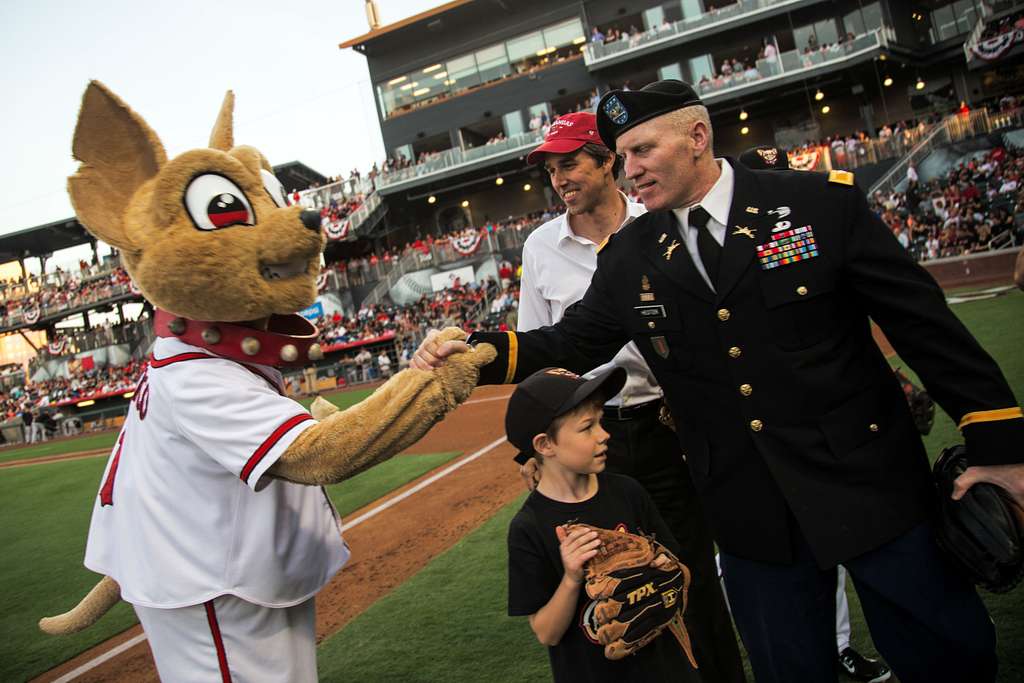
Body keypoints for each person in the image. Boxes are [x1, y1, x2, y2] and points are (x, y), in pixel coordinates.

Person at [414, 80, 1024, 683]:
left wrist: (1002, 453)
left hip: (870, 481)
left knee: (947, 659)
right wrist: (472, 353)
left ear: (698, 137)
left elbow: (928, 331)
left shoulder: (817, 204)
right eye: (622, 157)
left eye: (643, 151)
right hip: (746, 508)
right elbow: (566, 342)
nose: (629, 171)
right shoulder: (629, 255)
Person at [518, 111, 745, 682]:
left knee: (691, 573)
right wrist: (533, 450)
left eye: (570, 163)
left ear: (608, 161)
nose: (560, 179)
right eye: (551, 170)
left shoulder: (661, 220)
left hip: (676, 426)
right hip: (597, 440)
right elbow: (544, 357)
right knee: (617, 587)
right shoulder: (541, 247)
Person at [738, 146, 892, 683]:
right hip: (763, 456)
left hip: (847, 441)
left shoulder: (822, 217)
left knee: (862, 561)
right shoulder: (716, 253)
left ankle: (843, 647)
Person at [505, 366, 702, 683]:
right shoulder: (529, 526)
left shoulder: (627, 491)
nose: (604, 434)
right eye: (587, 427)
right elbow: (546, 633)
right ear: (544, 445)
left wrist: (663, 572)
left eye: (600, 421)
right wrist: (571, 578)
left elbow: (675, 567)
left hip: (665, 668)